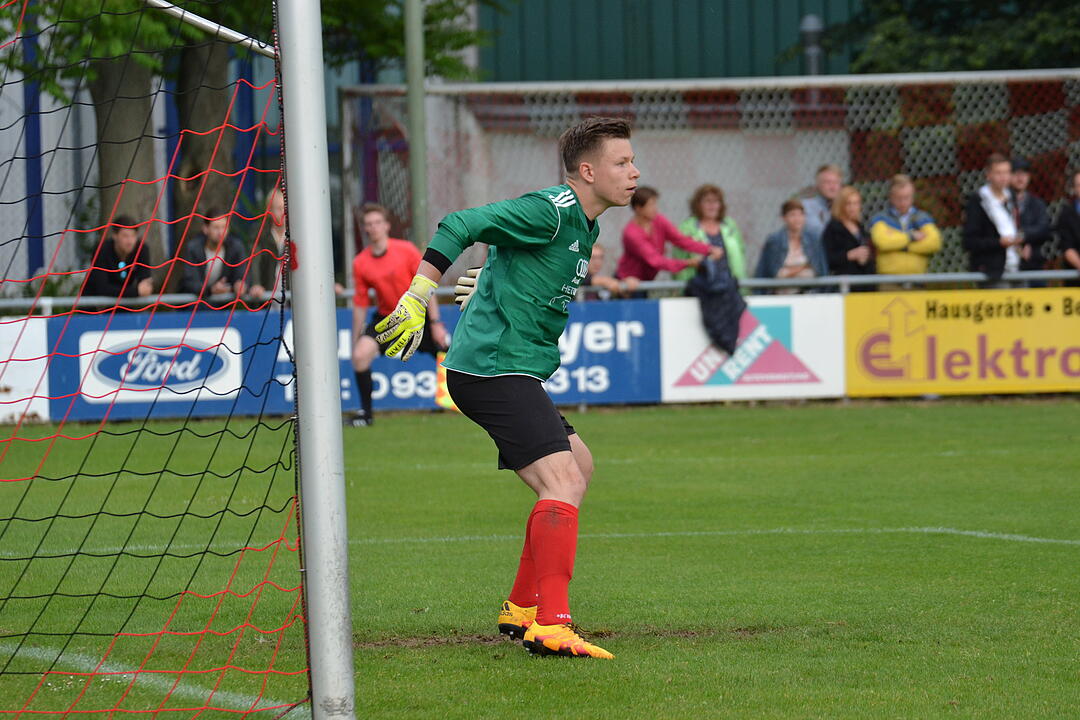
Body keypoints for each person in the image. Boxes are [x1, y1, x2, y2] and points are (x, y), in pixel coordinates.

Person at [374, 117, 640, 660]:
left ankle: (522, 608)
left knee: (578, 466)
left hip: (508, 368)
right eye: (622, 163)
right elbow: (459, 223)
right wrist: (418, 293)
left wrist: (490, 282)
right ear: (587, 172)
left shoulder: (586, 224)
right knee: (561, 480)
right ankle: (553, 623)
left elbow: (507, 253)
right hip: (493, 369)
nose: (634, 172)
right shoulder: (553, 210)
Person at [350, 203, 448, 426]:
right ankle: (366, 415)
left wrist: (435, 323)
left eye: (377, 223)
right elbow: (360, 303)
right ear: (365, 229)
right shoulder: (360, 262)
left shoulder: (406, 250)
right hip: (387, 319)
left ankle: (466, 405)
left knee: (451, 358)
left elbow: (426, 287)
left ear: (386, 226)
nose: (373, 228)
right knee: (360, 355)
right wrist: (357, 337)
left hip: (418, 317)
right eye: (368, 224)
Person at [615, 186, 722, 288]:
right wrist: (689, 263)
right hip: (627, 285)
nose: (655, 209)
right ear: (638, 208)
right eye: (651, 205)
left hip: (644, 282)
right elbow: (656, 261)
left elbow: (680, 240)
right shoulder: (631, 233)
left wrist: (709, 249)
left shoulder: (658, 220)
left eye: (655, 204)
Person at [963, 153, 1022, 287]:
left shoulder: (1012, 196)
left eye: (1007, 172)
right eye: (998, 173)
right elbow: (970, 241)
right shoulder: (978, 201)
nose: (1003, 177)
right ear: (988, 175)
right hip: (993, 271)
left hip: (1017, 266)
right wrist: (998, 243)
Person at [868, 175, 942, 279]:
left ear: (913, 196)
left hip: (918, 279)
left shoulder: (922, 218)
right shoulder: (880, 219)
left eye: (907, 197)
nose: (903, 202)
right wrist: (911, 237)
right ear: (891, 197)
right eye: (899, 198)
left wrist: (902, 246)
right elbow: (883, 242)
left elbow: (934, 243)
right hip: (889, 279)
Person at [672, 184, 747, 286]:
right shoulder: (686, 228)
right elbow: (679, 260)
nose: (712, 205)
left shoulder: (730, 226)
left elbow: (741, 253)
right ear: (698, 204)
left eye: (716, 201)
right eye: (707, 201)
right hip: (699, 288)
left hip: (731, 286)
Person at [754, 199, 828, 294]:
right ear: (784, 218)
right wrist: (803, 268)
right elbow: (771, 272)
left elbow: (820, 269)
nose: (797, 219)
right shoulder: (775, 241)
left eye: (800, 214)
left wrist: (789, 272)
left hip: (810, 293)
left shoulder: (813, 239)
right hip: (781, 295)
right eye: (792, 215)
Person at [178, 208, 248, 296]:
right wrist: (211, 290)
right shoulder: (193, 248)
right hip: (195, 304)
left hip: (225, 305)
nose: (220, 232)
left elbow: (242, 275)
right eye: (216, 227)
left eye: (224, 227)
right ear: (205, 229)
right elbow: (190, 283)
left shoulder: (236, 247)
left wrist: (240, 285)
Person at [85, 215, 153, 298]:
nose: (130, 241)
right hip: (94, 303)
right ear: (115, 236)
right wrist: (136, 291)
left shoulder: (141, 249)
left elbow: (145, 284)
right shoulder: (102, 250)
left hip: (125, 303)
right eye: (125, 236)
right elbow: (102, 288)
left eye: (133, 236)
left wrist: (144, 287)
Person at [823, 185, 875, 289]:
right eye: (848, 204)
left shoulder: (860, 227)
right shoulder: (833, 228)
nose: (852, 208)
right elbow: (828, 259)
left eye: (856, 203)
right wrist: (849, 255)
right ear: (841, 205)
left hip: (864, 282)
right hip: (845, 285)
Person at [1010, 156, 1053, 277]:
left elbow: (1045, 229)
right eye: (1016, 173)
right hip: (1008, 264)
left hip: (1034, 264)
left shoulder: (1037, 204)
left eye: (1024, 173)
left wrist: (1025, 239)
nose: (1020, 177)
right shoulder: (1001, 202)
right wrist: (1016, 244)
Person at [247, 186, 287, 301]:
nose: (283, 213)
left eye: (285, 208)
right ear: (269, 211)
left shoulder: (296, 235)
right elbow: (254, 260)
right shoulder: (259, 234)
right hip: (266, 298)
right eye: (279, 209)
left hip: (291, 300)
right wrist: (256, 284)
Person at [802, 164, 843, 243]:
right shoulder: (806, 207)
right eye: (828, 182)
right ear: (818, 185)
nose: (833, 187)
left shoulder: (846, 207)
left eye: (836, 182)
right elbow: (816, 233)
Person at [1054, 169, 1080, 287]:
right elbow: (1067, 247)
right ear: (1074, 189)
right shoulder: (1066, 214)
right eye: (1079, 185)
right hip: (1075, 279)